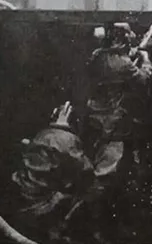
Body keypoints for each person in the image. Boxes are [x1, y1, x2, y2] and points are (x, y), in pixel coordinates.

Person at [83, 22, 152, 241]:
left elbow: (113, 64)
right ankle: (92, 227)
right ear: (119, 39)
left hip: (94, 120)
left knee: (99, 171)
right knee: (103, 176)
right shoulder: (122, 63)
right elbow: (143, 79)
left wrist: (130, 54)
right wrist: (145, 59)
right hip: (110, 124)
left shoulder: (97, 56)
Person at [11, 102, 93, 243]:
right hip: (45, 203)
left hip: (23, 196)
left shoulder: (41, 134)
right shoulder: (68, 140)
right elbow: (87, 171)